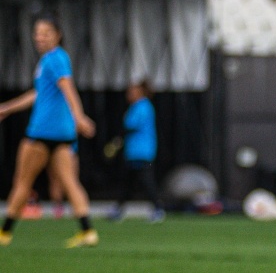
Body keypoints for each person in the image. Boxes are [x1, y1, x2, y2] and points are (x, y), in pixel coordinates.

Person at [0, 14, 99, 248]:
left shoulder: (54, 59)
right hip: (63, 135)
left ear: (58, 35)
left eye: (45, 33)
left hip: (42, 130)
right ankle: (88, 231)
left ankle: (4, 233)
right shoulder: (51, 61)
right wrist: (8, 108)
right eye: (37, 33)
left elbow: (68, 88)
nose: (40, 38)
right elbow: (38, 94)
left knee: (22, 181)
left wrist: (79, 116)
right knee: (70, 182)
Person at [109, 81, 164, 223]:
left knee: (146, 181)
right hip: (133, 151)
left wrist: (116, 142)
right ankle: (118, 209)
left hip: (142, 151)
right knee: (128, 182)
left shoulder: (143, 106)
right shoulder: (136, 107)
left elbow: (130, 126)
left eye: (132, 92)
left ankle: (158, 208)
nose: (129, 94)